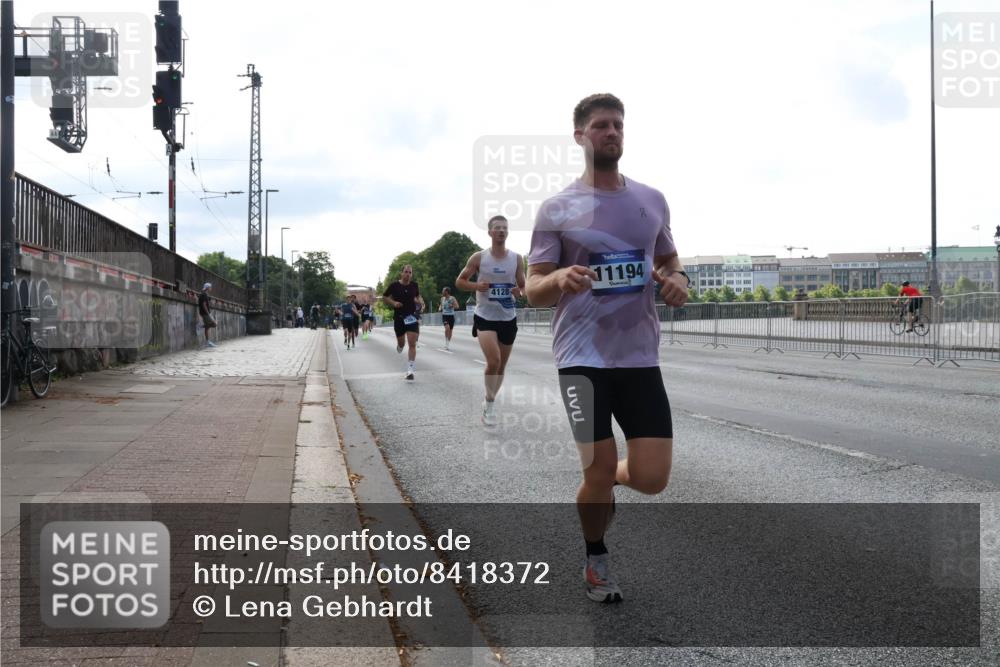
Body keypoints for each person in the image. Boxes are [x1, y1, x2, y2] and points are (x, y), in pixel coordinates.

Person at [526, 93, 689, 604]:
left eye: (617, 124)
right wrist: (559, 276)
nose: (611, 132)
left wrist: (677, 278)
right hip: (581, 358)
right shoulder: (557, 208)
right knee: (596, 468)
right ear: (580, 136)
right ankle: (596, 558)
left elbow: (668, 257)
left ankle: (608, 484)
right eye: (600, 125)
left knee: (652, 478)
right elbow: (531, 288)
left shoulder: (651, 200)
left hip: (640, 356)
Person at [456, 216, 525, 425]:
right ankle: (490, 405)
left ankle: (489, 401)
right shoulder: (479, 258)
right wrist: (477, 287)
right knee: (493, 361)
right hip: (485, 315)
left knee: (501, 366)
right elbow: (460, 281)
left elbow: (524, 287)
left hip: (507, 316)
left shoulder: (516, 258)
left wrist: (518, 291)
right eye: (497, 228)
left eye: (505, 228)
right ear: (490, 233)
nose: (502, 231)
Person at [382, 265, 423, 380]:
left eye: (410, 272)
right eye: (406, 272)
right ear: (401, 273)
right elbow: (385, 297)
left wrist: (420, 303)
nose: (408, 274)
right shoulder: (394, 285)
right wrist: (394, 303)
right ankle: (400, 346)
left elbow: (417, 296)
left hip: (411, 317)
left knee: (412, 343)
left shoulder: (414, 285)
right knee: (402, 344)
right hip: (399, 317)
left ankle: (410, 370)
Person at [198, 282, 217, 348]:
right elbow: (204, 305)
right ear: (208, 288)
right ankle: (200, 326)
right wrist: (208, 314)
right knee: (214, 324)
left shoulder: (204, 294)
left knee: (207, 327)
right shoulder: (204, 294)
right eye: (210, 287)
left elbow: (207, 301)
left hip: (205, 313)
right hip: (205, 313)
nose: (211, 288)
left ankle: (208, 342)